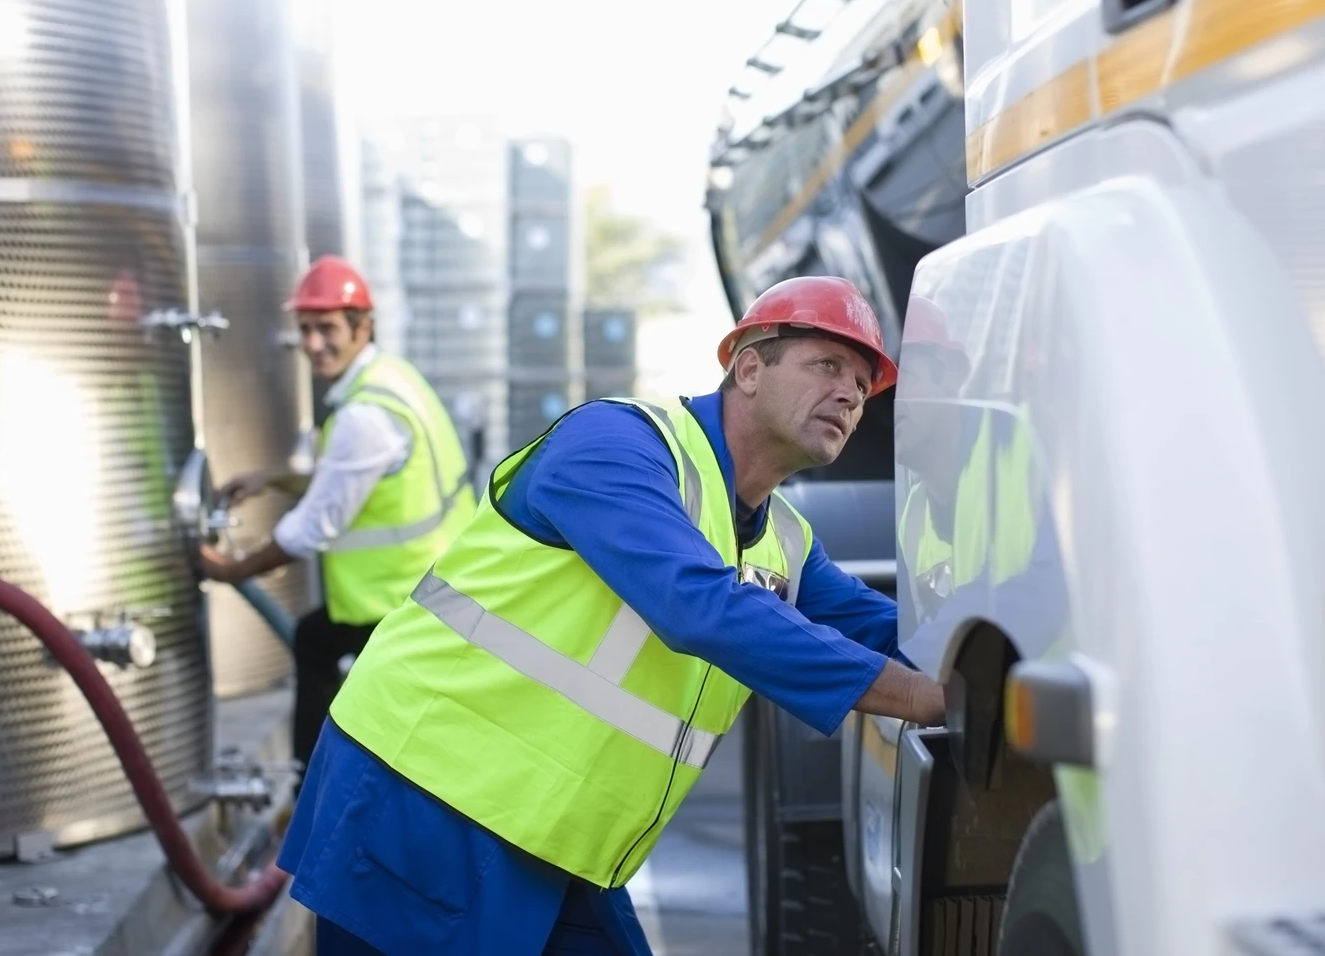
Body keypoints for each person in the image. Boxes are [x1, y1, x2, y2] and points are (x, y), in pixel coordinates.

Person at [277, 276, 948, 956]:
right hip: (423, 799)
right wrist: (920, 696)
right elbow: (698, 606)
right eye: (827, 365)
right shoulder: (615, 444)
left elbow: (895, 630)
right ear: (748, 365)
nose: (849, 393)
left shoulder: (785, 542)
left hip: (552, 834)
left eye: (863, 385)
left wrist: (996, 667)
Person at [198, 256, 474, 769]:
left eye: (326, 328)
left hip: (403, 598)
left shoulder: (364, 416)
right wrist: (274, 478)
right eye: (304, 330)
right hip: (441, 585)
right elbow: (358, 481)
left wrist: (229, 571)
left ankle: (313, 789)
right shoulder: (393, 379)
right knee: (322, 648)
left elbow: (312, 528)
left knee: (316, 647)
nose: (312, 343)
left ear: (361, 326)